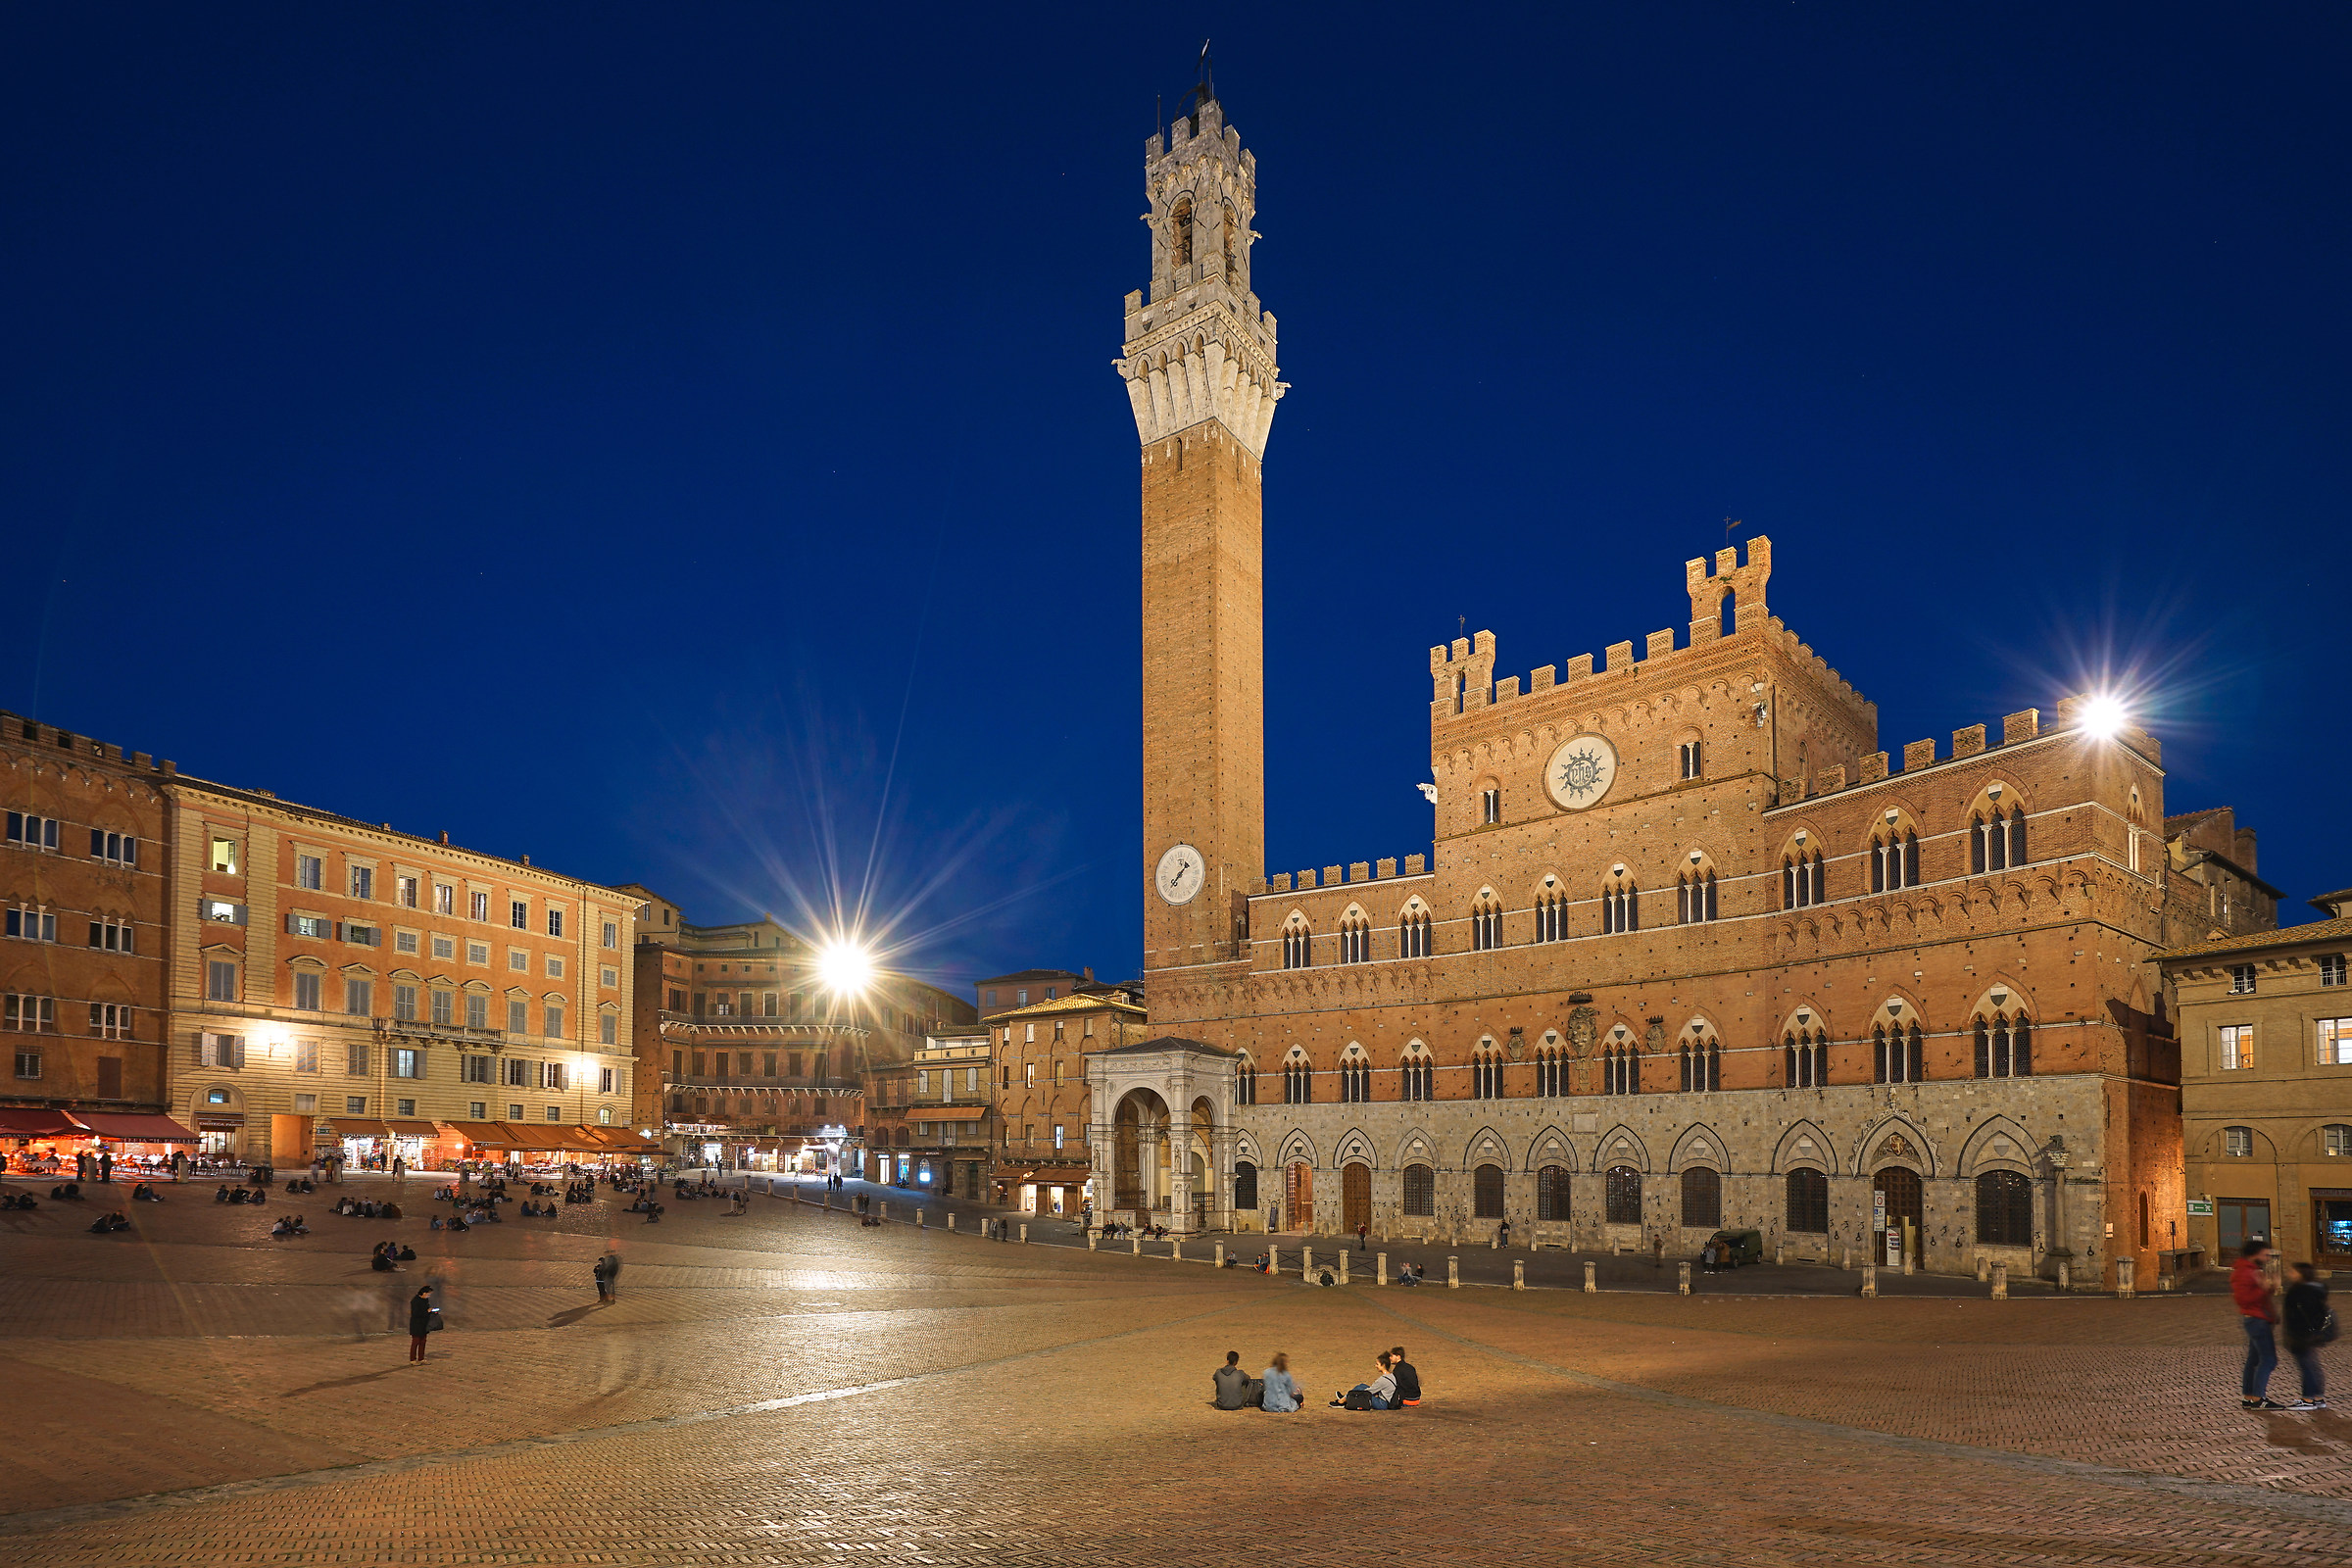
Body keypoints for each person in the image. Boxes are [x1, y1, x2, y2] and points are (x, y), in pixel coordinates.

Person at [2234, 1239, 2305, 1410]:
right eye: (2265, 1254)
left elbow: (2261, 1294)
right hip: (2256, 1320)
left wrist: (2271, 1286)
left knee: (2253, 1359)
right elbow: (2244, 1299)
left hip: (2259, 1318)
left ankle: (2249, 1397)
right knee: (2269, 1360)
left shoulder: (2252, 1270)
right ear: (2255, 1254)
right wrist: (2265, 1287)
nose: (2267, 1258)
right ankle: (2258, 1398)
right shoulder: (2244, 1272)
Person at [2283, 1261, 2335, 1411]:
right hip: (2311, 1334)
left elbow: (2300, 1315)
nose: (2290, 1274)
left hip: (2302, 1334)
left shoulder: (2301, 1291)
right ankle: (2318, 1398)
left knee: (2307, 1366)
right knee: (2312, 1365)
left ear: (2301, 1274)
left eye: (2293, 1272)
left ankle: (2308, 1399)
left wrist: (2296, 1334)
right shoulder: (2315, 1289)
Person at [1331, 1352, 1397, 1410]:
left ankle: (1342, 1401)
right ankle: (1346, 1397)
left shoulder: (1383, 1380)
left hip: (1382, 1404)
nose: (1375, 1366)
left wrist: (1356, 1393)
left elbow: (1368, 1392)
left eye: (1377, 1364)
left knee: (1360, 1389)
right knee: (1362, 1386)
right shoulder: (1391, 1375)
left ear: (1383, 1365)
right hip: (1388, 1401)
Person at [408, 1285, 438, 1361]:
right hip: (416, 1325)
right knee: (415, 1342)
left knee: (423, 1342)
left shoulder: (425, 1300)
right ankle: (413, 1360)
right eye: (428, 1294)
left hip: (424, 1325)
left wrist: (432, 1312)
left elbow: (426, 1311)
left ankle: (421, 1359)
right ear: (423, 1293)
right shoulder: (415, 1301)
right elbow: (415, 1314)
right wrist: (427, 1311)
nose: (429, 1296)